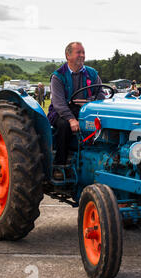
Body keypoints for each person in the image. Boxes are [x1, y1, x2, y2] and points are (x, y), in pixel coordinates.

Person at [47, 42, 105, 180]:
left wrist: (90, 101)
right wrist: (71, 119)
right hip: (62, 112)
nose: (82, 55)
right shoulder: (58, 76)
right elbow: (58, 103)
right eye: (78, 52)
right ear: (68, 55)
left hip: (86, 110)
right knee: (64, 125)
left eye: (83, 52)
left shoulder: (92, 74)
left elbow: (101, 94)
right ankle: (60, 165)